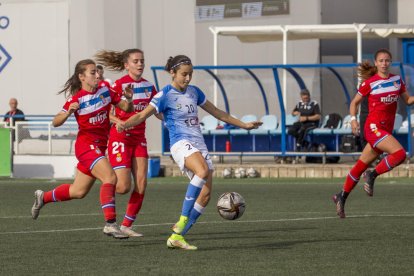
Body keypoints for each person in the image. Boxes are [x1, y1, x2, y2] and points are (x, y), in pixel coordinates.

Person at [116, 55, 262, 250]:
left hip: (198, 144)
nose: (187, 78)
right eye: (184, 74)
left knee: (206, 195)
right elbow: (142, 115)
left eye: (190, 74)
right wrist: (125, 124)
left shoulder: (194, 92)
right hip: (180, 143)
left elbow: (218, 113)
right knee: (201, 171)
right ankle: (182, 220)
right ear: (173, 73)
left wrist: (244, 125)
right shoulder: (164, 95)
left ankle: (177, 236)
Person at [31, 59, 134, 239]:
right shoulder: (77, 99)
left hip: (99, 147)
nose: (97, 75)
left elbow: (126, 108)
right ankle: (110, 224)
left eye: (97, 72)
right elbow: (55, 122)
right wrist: (68, 112)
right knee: (110, 177)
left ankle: (43, 197)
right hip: (86, 146)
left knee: (78, 191)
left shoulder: (105, 91)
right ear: (82, 77)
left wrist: (129, 98)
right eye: (93, 72)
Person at [332, 49, 414, 218]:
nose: (385, 63)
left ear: (390, 63)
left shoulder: (397, 81)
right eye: (381, 60)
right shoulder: (370, 83)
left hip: (385, 130)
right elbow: (354, 103)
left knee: (360, 165)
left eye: (387, 60)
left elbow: (408, 101)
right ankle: (372, 174)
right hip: (373, 128)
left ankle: (342, 196)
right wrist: (353, 120)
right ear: (376, 63)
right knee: (399, 154)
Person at [95, 48, 158, 237]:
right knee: (123, 187)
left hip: (139, 138)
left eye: (142, 61)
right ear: (126, 65)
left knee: (141, 183)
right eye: (136, 61)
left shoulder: (149, 87)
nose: (140, 64)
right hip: (120, 137)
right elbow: (104, 111)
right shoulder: (118, 85)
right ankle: (105, 181)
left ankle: (126, 225)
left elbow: (157, 110)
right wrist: (119, 122)